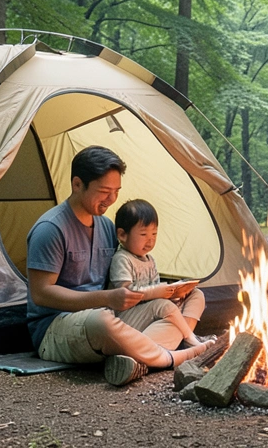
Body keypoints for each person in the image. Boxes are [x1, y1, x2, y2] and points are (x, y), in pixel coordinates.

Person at [26, 146, 208, 386]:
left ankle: (135, 356)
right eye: (104, 191)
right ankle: (175, 355)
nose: (111, 199)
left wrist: (167, 292)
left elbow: (127, 270)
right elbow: (41, 294)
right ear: (78, 184)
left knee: (193, 297)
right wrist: (107, 298)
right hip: (59, 327)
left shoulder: (107, 227)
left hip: (111, 315)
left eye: (116, 191)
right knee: (101, 321)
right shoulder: (50, 229)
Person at [108, 199, 211, 347]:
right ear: (122, 235)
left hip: (152, 311)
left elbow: (156, 291)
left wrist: (176, 294)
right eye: (143, 235)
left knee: (196, 295)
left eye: (154, 234)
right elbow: (125, 294)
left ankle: (184, 336)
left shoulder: (150, 260)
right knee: (163, 305)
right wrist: (158, 292)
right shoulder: (122, 259)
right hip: (128, 318)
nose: (150, 241)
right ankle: (189, 338)